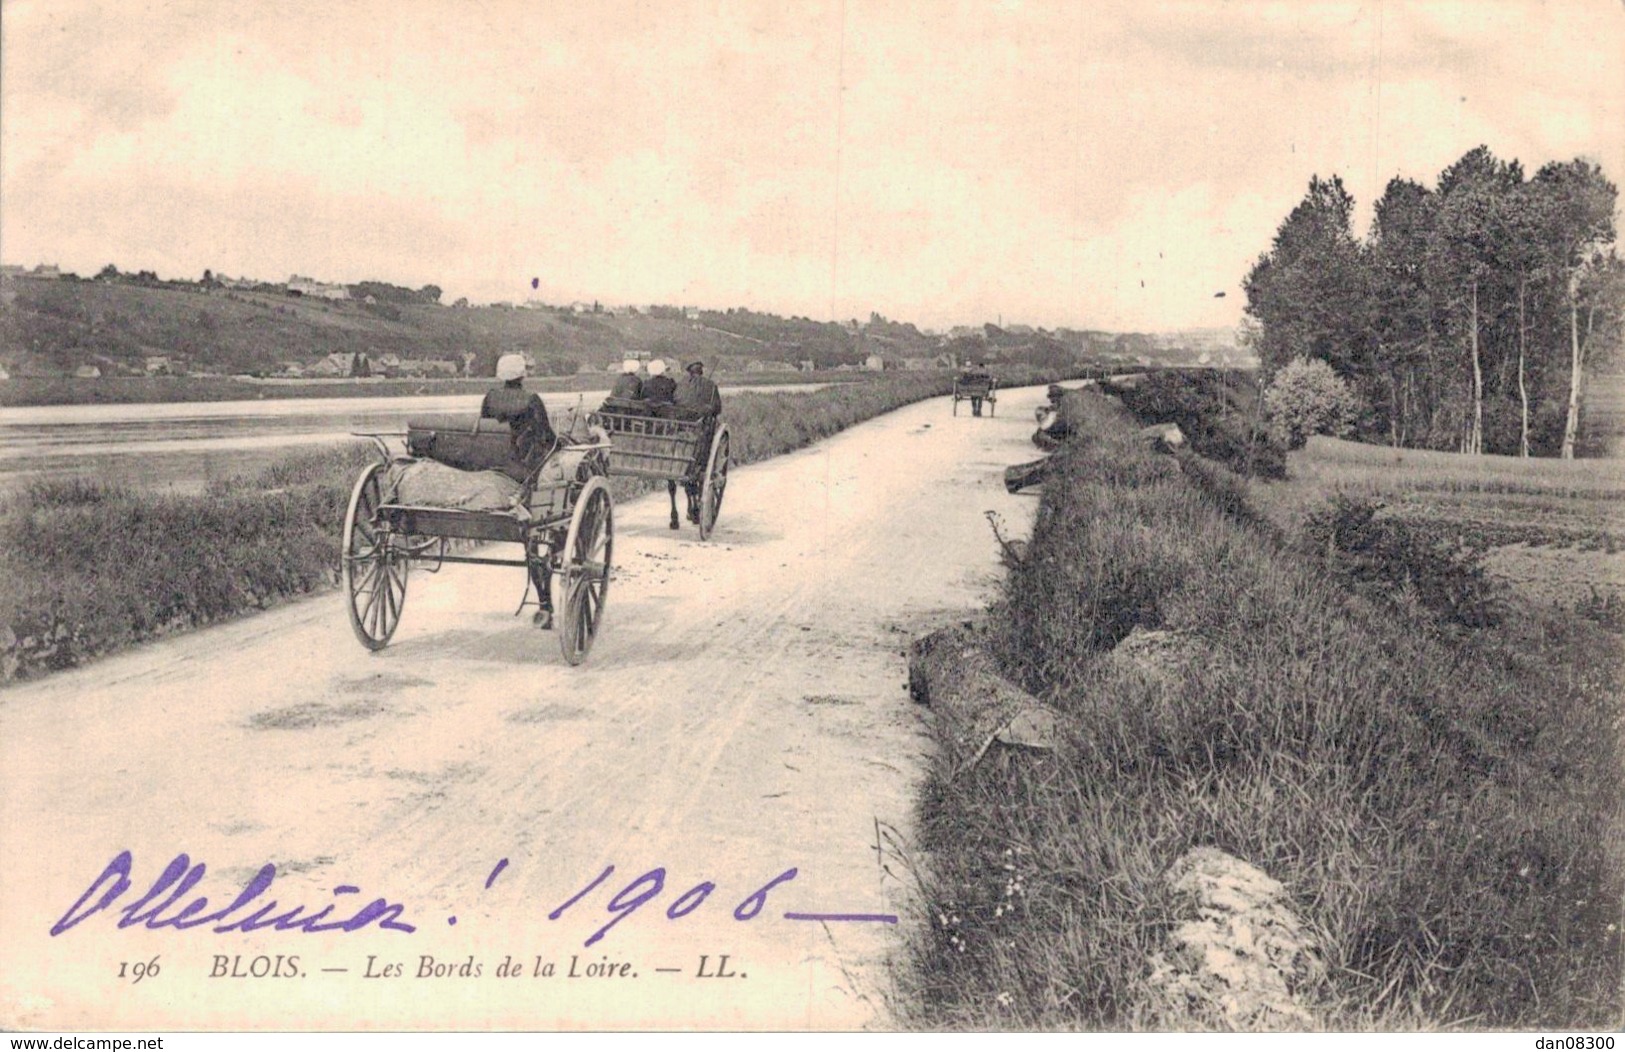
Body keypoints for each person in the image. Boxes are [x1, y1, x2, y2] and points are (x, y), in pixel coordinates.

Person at [482, 353, 559, 627]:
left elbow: (485, 428)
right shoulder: (531, 399)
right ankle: (545, 603)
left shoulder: (490, 398)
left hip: (495, 465)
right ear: (523, 375)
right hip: (525, 470)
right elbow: (546, 436)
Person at [671, 360, 724, 527]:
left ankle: (689, 504)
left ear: (689, 372)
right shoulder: (711, 385)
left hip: (681, 431)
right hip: (701, 433)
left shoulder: (681, 385)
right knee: (702, 457)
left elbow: (675, 402)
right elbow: (717, 408)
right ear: (701, 371)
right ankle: (695, 504)